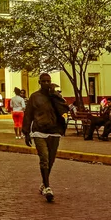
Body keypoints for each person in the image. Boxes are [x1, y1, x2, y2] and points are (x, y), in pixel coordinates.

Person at [22, 73, 69, 202]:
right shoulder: (34, 97)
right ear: (39, 82)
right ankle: (47, 187)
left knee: (51, 160)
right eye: (44, 81)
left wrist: (54, 95)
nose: (46, 84)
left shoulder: (55, 96)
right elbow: (28, 115)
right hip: (39, 131)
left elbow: (64, 108)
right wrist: (26, 133)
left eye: (48, 81)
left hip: (54, 131)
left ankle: (44, 182)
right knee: (44, 158)